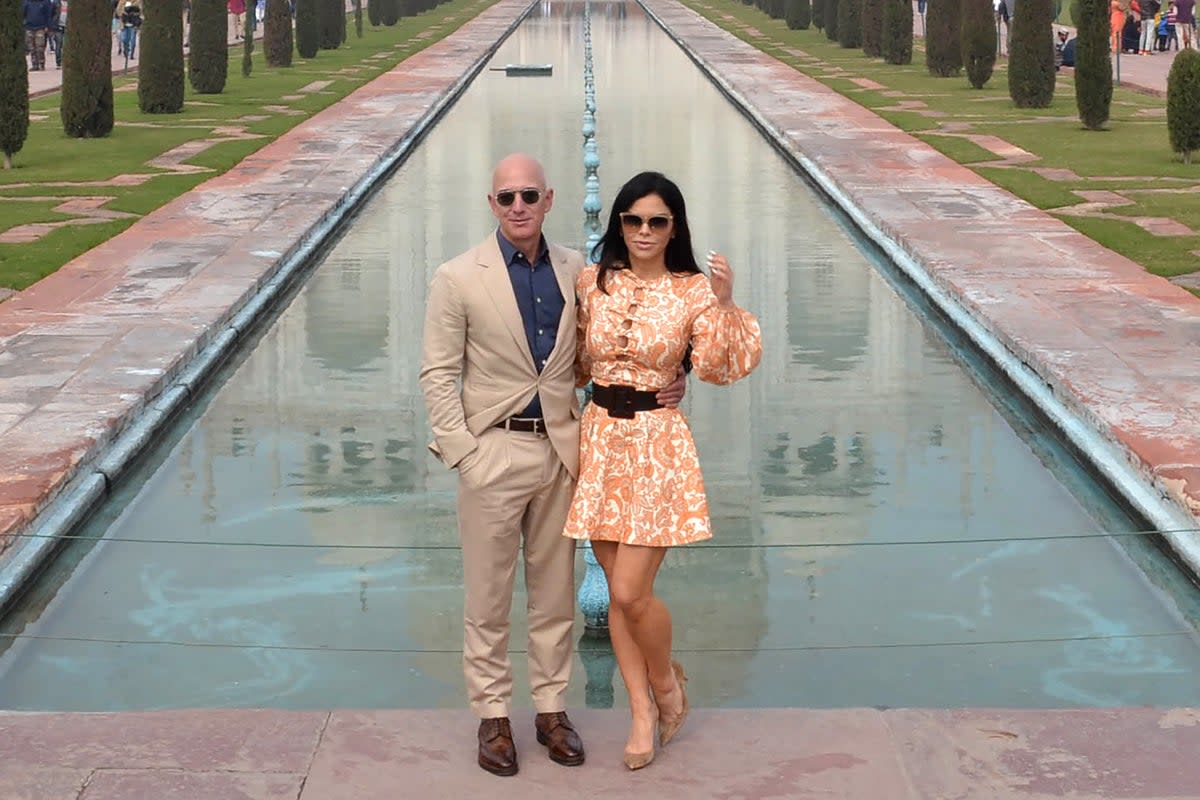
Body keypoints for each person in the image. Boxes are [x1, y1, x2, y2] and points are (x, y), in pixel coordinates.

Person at [419, 154, 686, 778]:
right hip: (492, 452)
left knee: (555, 597)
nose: (518, 206)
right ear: (492, 204)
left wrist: (675, 377)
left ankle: (550, 710)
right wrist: (463, 452)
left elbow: (622, 342)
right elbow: (437, 373)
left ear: (549, 199)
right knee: (487, 598)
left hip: (562, 449)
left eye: (529, 195)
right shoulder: (458, 276)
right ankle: (492, 717)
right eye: (507, 196)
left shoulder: (579, 272)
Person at [564, 171, 762, 770]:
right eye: (633, 220)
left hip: (656, 444)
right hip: (599, 439)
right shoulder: (592, 282)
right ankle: (643, 712)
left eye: (657, 221)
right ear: (618, 224)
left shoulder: (693, 290)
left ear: (674, 227)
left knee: (630, 590)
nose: (644, 231)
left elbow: (722, 367)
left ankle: (669, 686)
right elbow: (573, 362)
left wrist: (725, 306)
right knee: (621, 598)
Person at [22, 0, 55, 72]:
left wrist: (48, 27)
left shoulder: (45, 2)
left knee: (40, 47)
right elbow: (23, 13)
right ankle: (34, 65)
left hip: (41, 27)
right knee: (32, 48)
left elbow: (48, 15)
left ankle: (41, 63)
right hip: (29, 27)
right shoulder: (27, 2)